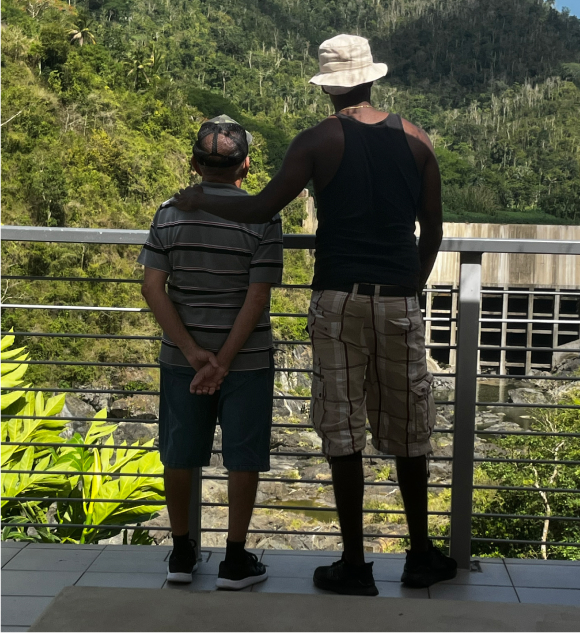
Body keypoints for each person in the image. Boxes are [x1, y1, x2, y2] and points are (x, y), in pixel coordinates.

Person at [172, 35, 457, 596]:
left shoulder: (318, 141)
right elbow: (434, 228)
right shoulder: (418, 139)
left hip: (338, 299)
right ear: (372, 78)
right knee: (408, 430)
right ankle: (420, 554)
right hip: (399, 297)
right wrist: (411, 287)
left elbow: (258, 207)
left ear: (328, 85)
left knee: (342, 428)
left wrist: (199, 199)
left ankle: (355, 562)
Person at [139, 115, 283, 590]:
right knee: (243, 456)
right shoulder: (262, 215)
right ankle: (235, 560)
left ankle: (181, 555)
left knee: (180, 453)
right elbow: (258, 296)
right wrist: (223, 360)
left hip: (184, 361)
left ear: (195, 164)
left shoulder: (168, 212)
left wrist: (194, 352)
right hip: (248, 360)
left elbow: (153, 287)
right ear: (245, 166)